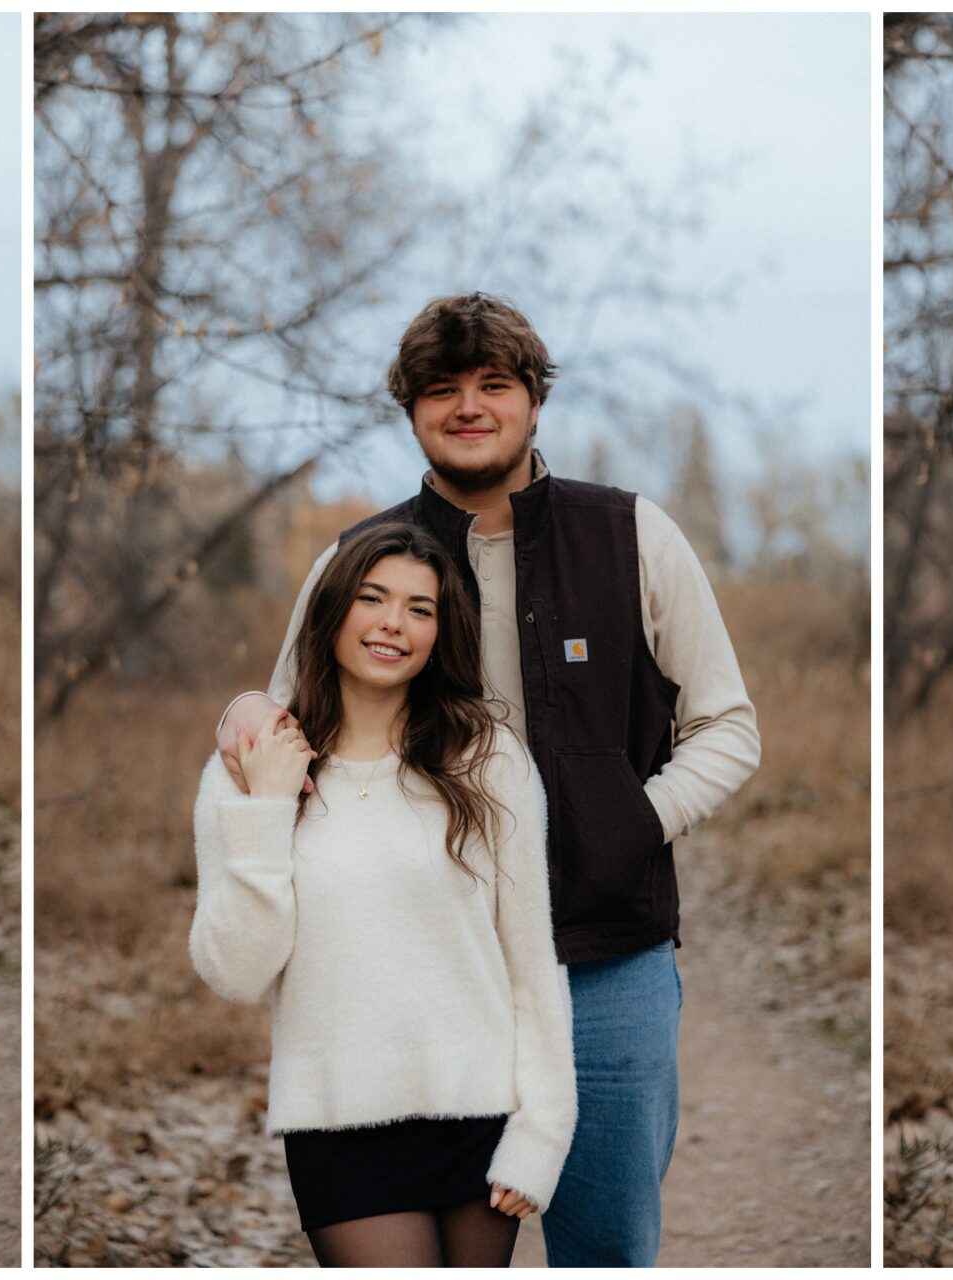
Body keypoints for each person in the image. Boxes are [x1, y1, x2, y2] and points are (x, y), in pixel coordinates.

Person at [214, 292, 760, 1266]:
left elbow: (727, 727)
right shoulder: (362, 558)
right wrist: (239, 717)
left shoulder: (631, 535)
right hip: (428, 976)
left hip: (606, 958)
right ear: (412, 409)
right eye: (441, 389)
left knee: (604, 1243)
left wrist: (629, 819)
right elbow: (285, 727)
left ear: (533, 400)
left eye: (492, 384)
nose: (468, 405)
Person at [191, 521, 570, 1267]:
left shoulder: (487, 761)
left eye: (419, 608)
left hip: (479, 1112)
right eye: (373, 598)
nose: (394, 623)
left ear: (440, 632)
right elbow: (235, 973)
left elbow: (531, 961)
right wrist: (266, 810)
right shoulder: (247, 771)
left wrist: (543, 1132)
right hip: (340, 1123)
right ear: (332, 610)